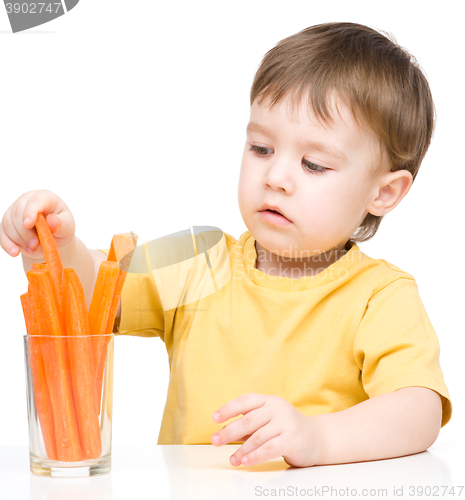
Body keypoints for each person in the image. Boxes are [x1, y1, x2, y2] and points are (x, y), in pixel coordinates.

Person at [0, 22, 452, 469]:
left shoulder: (379, 296)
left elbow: (419, 410)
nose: (275, 177)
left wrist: (317, 438)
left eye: (313, 164)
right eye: (261, 148)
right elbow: (94, 296)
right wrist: (54, 247)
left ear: (384, 193)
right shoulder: (201, 259)